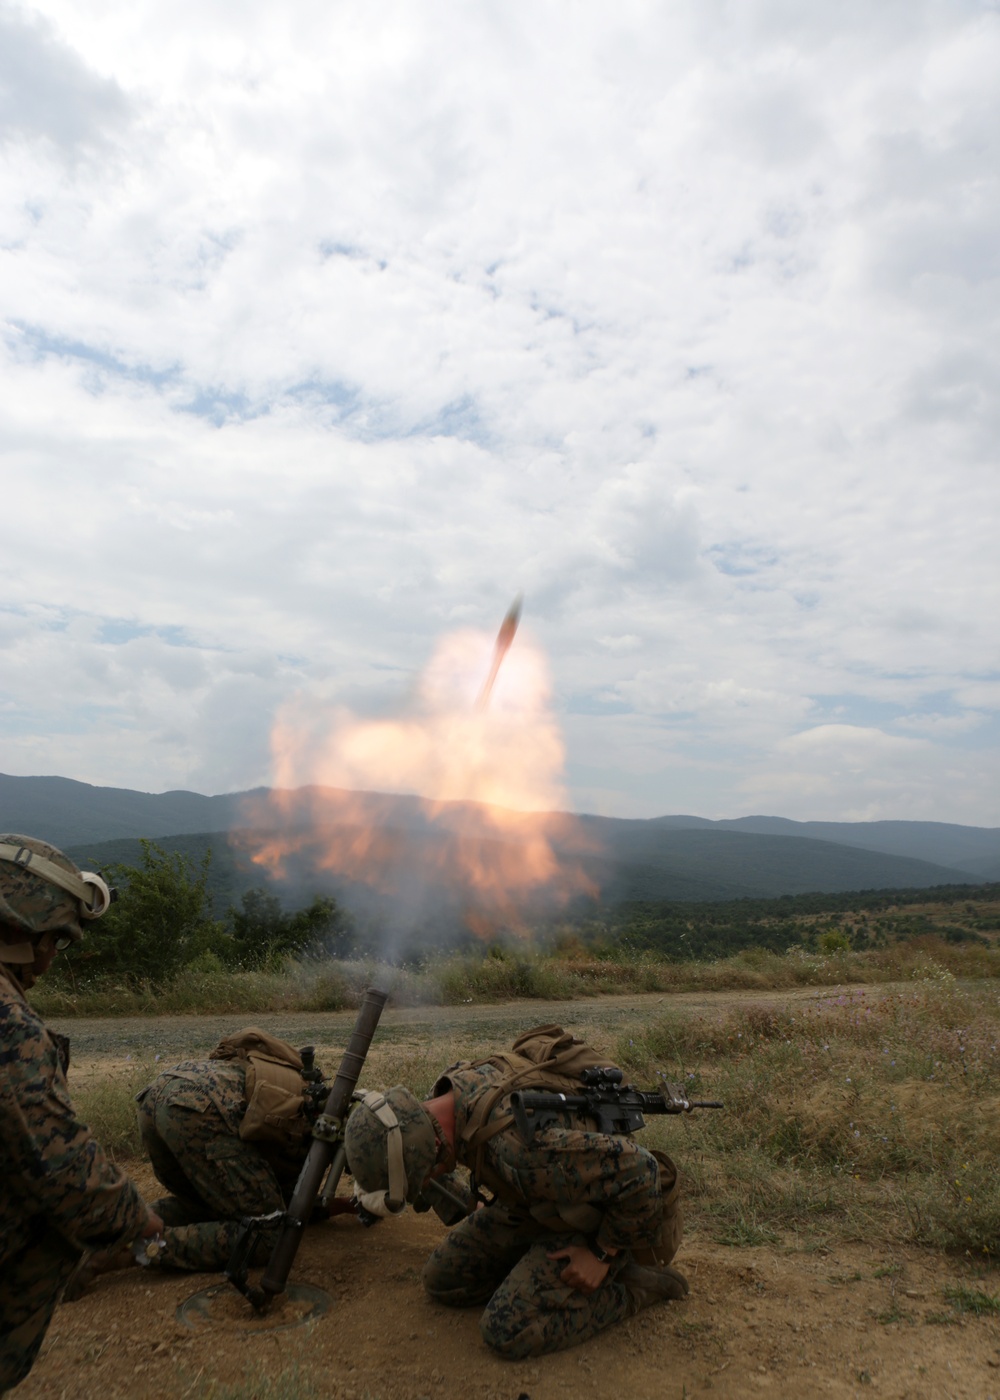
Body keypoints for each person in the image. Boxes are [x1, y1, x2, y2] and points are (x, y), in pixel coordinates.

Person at [344, 1024, 688, 1359]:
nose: (427, 1183)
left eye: (425, 1176)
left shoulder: (520, 1151)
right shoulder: (442, 1100)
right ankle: (536, 1274)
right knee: (444, 1280)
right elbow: (432, 1167)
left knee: (508, 1329)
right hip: (541, 1200)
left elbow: (643, 1171)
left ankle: (633, 1286)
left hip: (601, 1218)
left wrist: (601, 1253)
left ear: (433, 1147)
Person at [0, 835, 162, 1395]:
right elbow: (61, 1164)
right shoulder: (8, 1022)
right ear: (20, 929)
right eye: (53, 940)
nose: (49, 958)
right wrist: (137, 1221)